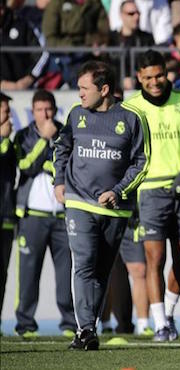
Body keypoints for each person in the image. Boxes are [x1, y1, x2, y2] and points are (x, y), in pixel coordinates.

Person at [53, 60, 149, 350]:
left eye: (85, 88)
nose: (79, 94)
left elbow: (142, 163)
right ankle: (84, 329)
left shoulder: (132, 118)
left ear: (104, 89)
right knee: (83, 263)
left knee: (101, 270)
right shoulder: (76, 114)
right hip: (79, 203)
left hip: (115, 209)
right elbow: (61, 148)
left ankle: (88, 329)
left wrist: (118, 191)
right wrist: (59, 181)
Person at [122, 50, 180, 342]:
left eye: (160, 75)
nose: (155, 82)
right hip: (148, 191)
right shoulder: (130, 106)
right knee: (155, 258)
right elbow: (126, 154)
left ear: (167, 73)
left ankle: (170, 310)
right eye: (148, 77)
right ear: (139, 77)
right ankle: (160, 323)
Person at [13, 90, 76, 338]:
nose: (45, 114)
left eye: (48, 109)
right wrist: (44, 141)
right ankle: (25, 324)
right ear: (33, 111)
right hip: (33, 217)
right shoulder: (24, 135)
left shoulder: (66, 133)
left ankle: (71, 324)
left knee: (66, 274)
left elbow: (70, 167)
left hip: (63, 215)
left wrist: (52, 161)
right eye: (40, 110)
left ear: (54, 108)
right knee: (28, 275)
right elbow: (26, 166)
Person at [107, 0, 155, 90]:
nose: (136, 17)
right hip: (115, 90)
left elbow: (151, 65)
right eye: (131, 14)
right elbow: (108, 65)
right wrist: (121, 80)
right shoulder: (111, 39)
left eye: (138, 13)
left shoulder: (147, 38)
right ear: (121, 15)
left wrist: (136, 79)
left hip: (141, 89)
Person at [0, 92, 16, 331]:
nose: (8, 117)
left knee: (1, 276)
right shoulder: (5, 141)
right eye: (4, 111)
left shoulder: (9, 142)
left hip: (5, 218)